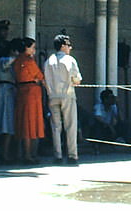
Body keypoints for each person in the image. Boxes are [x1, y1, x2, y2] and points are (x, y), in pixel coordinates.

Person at [44, 34, 82, 165]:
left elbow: (46, 80)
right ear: (62, 46)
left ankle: (58, 155)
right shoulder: (70, 60)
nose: (70, 47)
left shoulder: (49, 61)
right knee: (70, 125)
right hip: (67, 94)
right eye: (68, 45)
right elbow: (77, 79)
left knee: (55, 126)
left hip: (52, 95)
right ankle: (72, 155)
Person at [13, 37, 45, 163]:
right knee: (29, 124)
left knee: (24, 123)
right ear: (26, 48)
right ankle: (28, 154)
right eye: (32, 47)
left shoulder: (17, 60)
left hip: (23, 91)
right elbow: (40, 76)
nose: (34, 50)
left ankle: (26, 153)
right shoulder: (28, 61)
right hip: (31, 92)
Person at [0, 42, 18, 163]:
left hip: (10, 90)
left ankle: (7, 153)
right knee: (5, 123)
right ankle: (4, 154)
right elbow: (7, 63)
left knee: (9, 123)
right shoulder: (4, 60)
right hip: (5, 91)